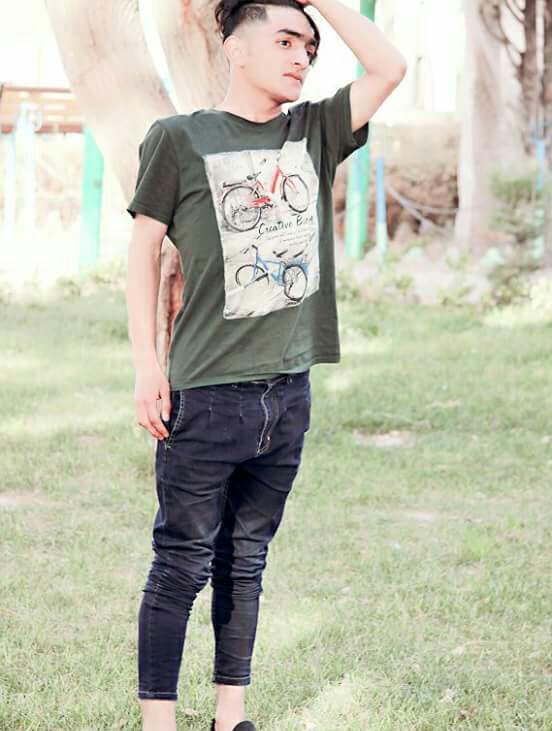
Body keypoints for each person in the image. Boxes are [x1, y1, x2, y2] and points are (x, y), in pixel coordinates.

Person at [125, 0, 406, 728]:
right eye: (285, 40)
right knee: (181, 562)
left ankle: (231, 717)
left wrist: (325, 4)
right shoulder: (179, 138)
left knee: (245, 558)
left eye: (309, 47)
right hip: (206, 394)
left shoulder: (313, 132)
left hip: (288, 394)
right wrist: (147, 366)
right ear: (236, 49)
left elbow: (389, 67)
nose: (302, 56)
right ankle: (158, 723)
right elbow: (143, 251)